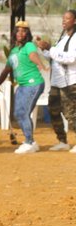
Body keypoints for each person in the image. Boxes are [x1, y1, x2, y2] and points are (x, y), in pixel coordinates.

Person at [0, 20, 47, 154]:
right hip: (22, 86)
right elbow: (7, 70)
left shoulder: (29, 46)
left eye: (24, 31)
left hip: (33, 83)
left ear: (27, 34)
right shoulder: (13, 50)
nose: (21, 33)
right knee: (19, 113)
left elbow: (33, 55)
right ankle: (32, 142)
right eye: (18, 30)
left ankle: (29, 142)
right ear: (14, 33)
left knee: (23, 113)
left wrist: (40, 64)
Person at [38, 9, 76, 152]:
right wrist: (44, 49)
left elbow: (71, 58)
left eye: (67, 18)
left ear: (75, 21)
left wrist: (51, 49)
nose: (64, 21)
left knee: (71, 113)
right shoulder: (63, 37)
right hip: (56, 81)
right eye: (63, 18)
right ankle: (62, 141)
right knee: (53, 110)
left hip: (70, 82)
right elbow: (55, 57)